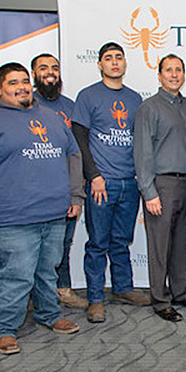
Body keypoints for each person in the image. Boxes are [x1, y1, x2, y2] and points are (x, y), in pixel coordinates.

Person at [0, 62, 83, 355]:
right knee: (16, 276)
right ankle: (3, 329)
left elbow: (73, 157)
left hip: (54, 214)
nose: (22, 87)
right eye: (13, 82)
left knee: (47, 271)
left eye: (25, 81)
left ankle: (49, 315)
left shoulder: (52, 118)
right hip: (11, 218)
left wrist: (75, 197)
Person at [71, 42, 148, 324]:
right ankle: (95, 298)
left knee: (121, 240)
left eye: (119, 58)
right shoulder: (88, 96)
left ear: (125, 63)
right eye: (108, 58)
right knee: (98, 242)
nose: (114, 62)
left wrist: (141, 172)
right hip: (101, 183)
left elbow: (140, 139)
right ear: (100, 64)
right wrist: (94, 176)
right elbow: (79, 138)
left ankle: (123, 288)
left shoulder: (135, 98)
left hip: (129, 181)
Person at [134, 54, 186, 322]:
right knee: (160, 245)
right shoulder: (149, 107)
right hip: (162, 185)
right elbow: (142, 152)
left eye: (179, 69)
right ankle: (160, 299)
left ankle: (180, 292)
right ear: (159, 75)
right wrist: (148, 191)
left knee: (183, 243)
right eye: (169, 70)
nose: (174, 74)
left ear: (184, 74)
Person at [31, 53, 87, 311]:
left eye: (54, 67)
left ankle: (62, 289)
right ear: (34, 74)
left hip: (65, 187)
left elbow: (77, 149)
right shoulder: (25, 104)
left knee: (62, 243)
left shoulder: (70, 106)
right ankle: (32, 294)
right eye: (43, 68)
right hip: (33, 190)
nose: (50, 72)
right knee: (30, 246)